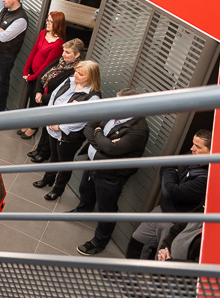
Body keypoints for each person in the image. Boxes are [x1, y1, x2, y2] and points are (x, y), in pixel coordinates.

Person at [74, 88, 149, 256]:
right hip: (94, 163)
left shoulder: (139, 129)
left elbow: (111, 148)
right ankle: (82, 211)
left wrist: (99, 133)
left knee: (106, 209)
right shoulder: (111, 111)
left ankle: (99, 241)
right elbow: (89, 127)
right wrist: (103, 143)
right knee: (85, 189)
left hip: (111, 175)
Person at [127, 130, 211, 259]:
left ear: (211, 151)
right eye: (193, 144)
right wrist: (172, 172)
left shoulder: (206, 178)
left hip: (173, 222)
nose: (191, 148)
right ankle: (124, 272)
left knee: (160, 256)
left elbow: (170, 191)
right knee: (137, 240)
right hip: (161, 210)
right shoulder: (190, 156)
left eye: (198, 147)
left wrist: (172, 173)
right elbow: (167, 165)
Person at [32, 60, 102, 201]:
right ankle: (48, 179)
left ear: (90, 77)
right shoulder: (69, 81)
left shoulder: (93, 96)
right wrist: (50, 117)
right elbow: (54, 97)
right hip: (53, 126)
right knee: (54, 157)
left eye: (80, 74)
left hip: (69, 135)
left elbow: (82, 120)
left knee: (64, 163)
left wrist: (60, 126)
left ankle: (58, 190)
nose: (75, 75)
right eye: (76, 71)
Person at [26, 38, 86, 163]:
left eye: (68, 52)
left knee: (49, 129)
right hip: (44, 97)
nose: (64, 54)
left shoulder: (75, 71)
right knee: (44, 128)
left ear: (77, 55)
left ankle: (43, 153)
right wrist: (38, 91)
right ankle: (39, 149)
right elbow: (43, 74)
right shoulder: (61, 61)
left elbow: (61, 92)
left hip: (54, 102)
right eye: (64, 51)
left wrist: (42, 97)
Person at [17, 11, 66, 138]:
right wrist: (26, 70)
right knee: (30, 99)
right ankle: (29, 122)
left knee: (36, 102)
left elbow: (46, 66)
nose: (47, 23)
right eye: (47, 20)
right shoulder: (43, 33)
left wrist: (33, 77)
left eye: (50, 21)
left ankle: (34, 127)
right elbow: (34, 51)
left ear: (57, 24)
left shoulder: (58, 44)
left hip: (41, 77)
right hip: (33, 72)